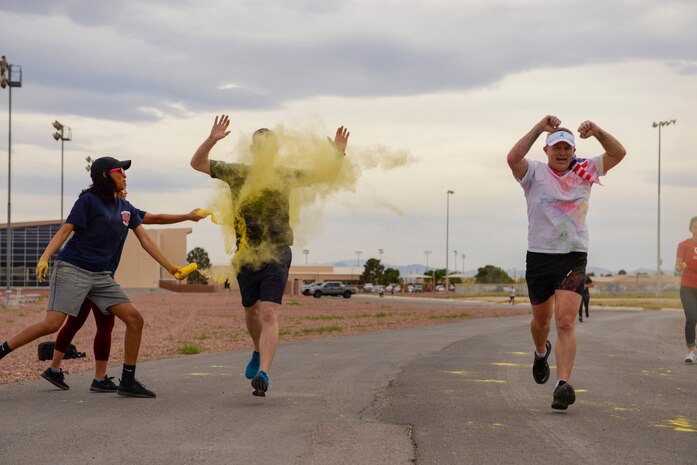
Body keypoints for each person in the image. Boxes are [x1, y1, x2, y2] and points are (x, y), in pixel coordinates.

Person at [0, 157, 185, 398]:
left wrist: (171, 267)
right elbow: (65, 230)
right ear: (105, 176)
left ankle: (128, 381)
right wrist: (45, 257)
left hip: (101, 275)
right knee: (52, 324)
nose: (125, 176)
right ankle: (2, 350)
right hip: (73, 269)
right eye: (120, 171)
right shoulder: (88, 201)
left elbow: (146, 240)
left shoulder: (126, 208)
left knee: (134, 319)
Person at [191, 115, 349, 396]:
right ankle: (256, 349)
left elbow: (324, 176)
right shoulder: (237, 172)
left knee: (269, 311)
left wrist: (337, 154)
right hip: (246, 253)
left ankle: (264, 372)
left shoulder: (285, 175)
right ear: (253, 151)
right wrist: (212, 140)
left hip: (277, 251)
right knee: (251, 312)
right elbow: (197, 163)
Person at [507, 115, 626, 410]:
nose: (562, 153)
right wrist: (538, 128)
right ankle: (539, 351)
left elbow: (618, 153)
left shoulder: (585, 169)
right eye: (556, 147)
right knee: (541, 322)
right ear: (546, 151)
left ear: (574, 151)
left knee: (564, 321)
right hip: (539, 257)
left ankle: (562, 385)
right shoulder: (533, 172)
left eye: (567, 148)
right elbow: (513, 157)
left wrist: (597, 131)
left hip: (573, 255)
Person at [41, 189, 205, 392]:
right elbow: (68, 230)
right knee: (103, 324)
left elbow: (156, 218)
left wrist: (187, 216)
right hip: (97, 274)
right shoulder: (104, 208)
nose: (125, 190)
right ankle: (99, 378)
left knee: (75, 322)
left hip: (94, 274)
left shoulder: (126, 211)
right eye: (121, 187)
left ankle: (54, 368)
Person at [675, 216, 697, 364]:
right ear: (690, 229)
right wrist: (680, 266)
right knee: (692, 318)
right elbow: (677, 267)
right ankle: (691, 351)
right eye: (695, 227)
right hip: (688, 287)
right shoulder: (683, 245)